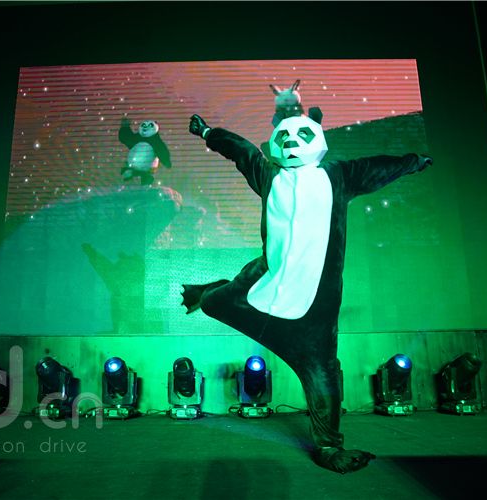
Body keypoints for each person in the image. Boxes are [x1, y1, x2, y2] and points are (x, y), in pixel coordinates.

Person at [181, 112, 432, 474]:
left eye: (301, 135)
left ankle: (329, 446)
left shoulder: (339, 176)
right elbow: (241, 151)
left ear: (318, 140)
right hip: (261, 292)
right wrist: (208, 132)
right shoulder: (268, 175)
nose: (291, 142)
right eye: (283, 137)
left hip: (311, 313)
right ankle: (211, 291)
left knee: (321, 376)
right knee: (212, 303)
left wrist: (412, 162)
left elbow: (379, 167)